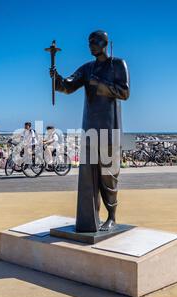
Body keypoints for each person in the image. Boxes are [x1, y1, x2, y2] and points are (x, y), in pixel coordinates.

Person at [50, 30, 130, 232]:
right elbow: (69, 86)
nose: (91, 45)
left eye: (95, 41)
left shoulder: (118, 64)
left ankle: (111, 216)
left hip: (109, 129)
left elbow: (125, 92)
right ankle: (90, 218)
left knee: (109, 176)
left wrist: (100, 84)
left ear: (104, 43)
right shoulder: (87, 68)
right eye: (89, 42)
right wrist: (56, 79)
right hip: (89, 129)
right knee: (88, 177)